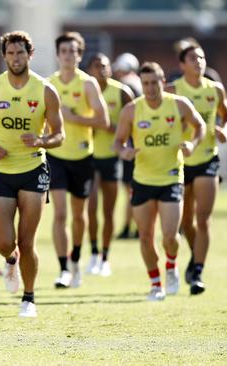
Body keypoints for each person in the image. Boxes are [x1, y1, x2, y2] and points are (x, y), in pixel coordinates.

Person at [0, 31, 64, 317]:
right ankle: (10, 260)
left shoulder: (45, 89)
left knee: (28, 240)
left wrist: (41, 141)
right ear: (4, 56)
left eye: (20, 53)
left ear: (30, 55)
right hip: (0, 171)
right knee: (4, 242)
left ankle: (29, 298)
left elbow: (59, 135)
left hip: (34, 168)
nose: (16, 58)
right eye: (11, 54)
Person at [114, 62, 205, 301]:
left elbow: (200, 126)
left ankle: (172, 265)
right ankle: (156, 284)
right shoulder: (132, 110)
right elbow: (118, 141)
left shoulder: (178, 105)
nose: (150, 88)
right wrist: (124, 152)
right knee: (145, 236)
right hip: (142, 180)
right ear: (141, 84)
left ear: (162, 82)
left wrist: (192, 144)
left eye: (155, 83)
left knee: (170, 236)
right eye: (146, 83)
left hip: (171, 178)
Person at [167, 44, 227, 295]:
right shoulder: (173, 91)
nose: (199, 62)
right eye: (193, 58)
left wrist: (225, 130)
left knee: (203, 219)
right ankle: (195, 255)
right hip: (181, 163)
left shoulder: (214, 89)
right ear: (182, 65)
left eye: (202, 57)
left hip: (207, 159)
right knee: (185, 221)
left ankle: (197, 271)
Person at [47, 32, 109, 288]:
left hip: (83, 156)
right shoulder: (48, 84)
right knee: (59, 214)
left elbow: (103, 121)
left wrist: (73, 118)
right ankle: (63, 269)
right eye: (64, 51)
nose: (68, 56)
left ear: (79, 55)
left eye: (73, 51)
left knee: (79, 216)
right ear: (58, 54)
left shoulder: (88, 84)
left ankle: (75, 260)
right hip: (56, 155)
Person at [86, 53, 134, 276]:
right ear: (89, 70)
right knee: (92, 207)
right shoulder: (84, 92)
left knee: (108, 211)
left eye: (104, 66)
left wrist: (113, 129)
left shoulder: (122, 92)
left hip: (112, 159)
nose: (101, 69)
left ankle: (105, 257)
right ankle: (93, 253)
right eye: (96, 66)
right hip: (89, 158)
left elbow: (134, 125)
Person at [112, 52, 142, 240]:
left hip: (132, 145)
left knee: (131, 189)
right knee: (133, 189)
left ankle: (132, 227)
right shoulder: (139, 83)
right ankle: (132, 226)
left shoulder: (128, 86)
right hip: (139, 142)